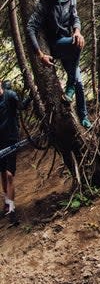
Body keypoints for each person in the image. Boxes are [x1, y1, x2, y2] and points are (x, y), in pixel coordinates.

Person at [27, 0, 91, 128]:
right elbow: (30, 27)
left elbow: (75, 17)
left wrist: (77, 30)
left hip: (70, 45)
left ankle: (84, 117)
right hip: (56, 45)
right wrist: (40, 54)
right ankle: (69, 86)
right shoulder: (44, 4)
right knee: (75, 44)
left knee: (79, 82)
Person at [0, 82, 31, 225]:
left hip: (11, 140)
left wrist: (32, 94)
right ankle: (6, 204)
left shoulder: (10, 95)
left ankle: (11, 210)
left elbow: (22, 107)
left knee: (9, 175)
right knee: (3, 174)